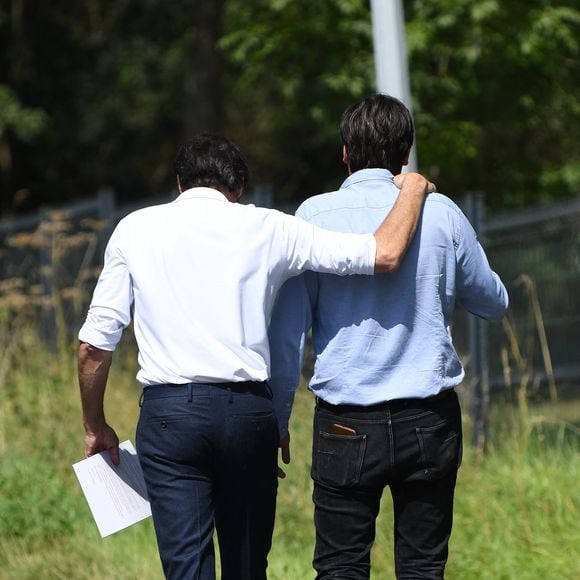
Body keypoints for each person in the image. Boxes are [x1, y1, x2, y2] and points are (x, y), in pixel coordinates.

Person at [77, 132, 435, 580]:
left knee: (186, 569)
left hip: (170, 419)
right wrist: (415, 187)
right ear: (239, 188)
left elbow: (94, 344)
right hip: (248, 416)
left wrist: (95, 426)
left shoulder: (135, 228)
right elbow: (383, 253)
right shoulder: (271, 227)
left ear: (179, 184)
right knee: (247, 569)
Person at [268, 94, 509, 579]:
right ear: (405, 154)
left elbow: (288, 334)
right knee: (423, 568)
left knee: (340, 568)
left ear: (344, 152)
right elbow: (493, 301)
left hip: (345, 422)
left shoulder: (312, 216)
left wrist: (275, 422)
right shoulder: (441, 213)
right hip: (430, 419)